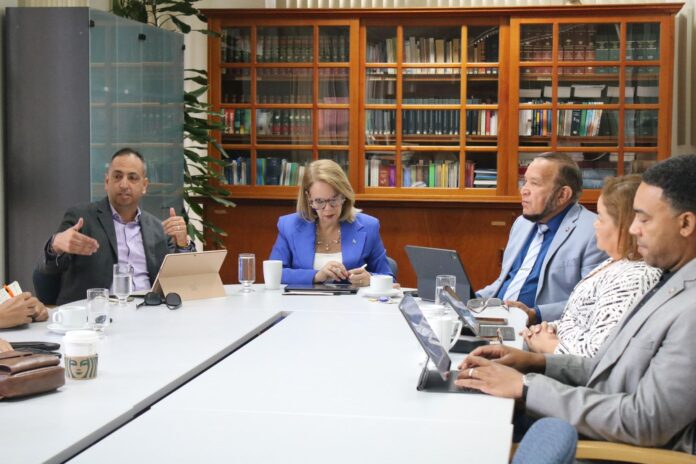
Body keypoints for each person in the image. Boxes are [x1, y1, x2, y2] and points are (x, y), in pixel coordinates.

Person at [455, 155, 696, 454]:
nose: (633, 229)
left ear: (686, 223)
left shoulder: (688, 310)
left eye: (644, 219)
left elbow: (645, 421)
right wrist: (533, 362)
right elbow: (605, 368)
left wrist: (526, 387)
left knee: (465, 428)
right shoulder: (668, 280)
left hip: (603, 447)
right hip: (580, 414)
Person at [522, 175, 662, 357]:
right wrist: (547, 329)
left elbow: (598, 354)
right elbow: (579, 320)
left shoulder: (636, 278)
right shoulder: (616, 262)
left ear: (624, 225)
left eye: (601, 218)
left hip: (562, 366)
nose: (595, 224)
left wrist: (549, 345)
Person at [35, 148, 195, 305]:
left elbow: (181, 280)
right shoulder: (81, 218)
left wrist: (183, 244)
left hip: (149, 310)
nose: (124, 184)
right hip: (98, 312)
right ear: (107, 182)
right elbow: (49, 269)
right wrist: (55, 245)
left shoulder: (157, 228)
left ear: (144, 185)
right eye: (117, 176)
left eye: (132, 178)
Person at [477, 152, 606, 324]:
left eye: (535, 183)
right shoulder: (522, 223)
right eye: (525, 181)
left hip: (540, 330)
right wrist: (473, 299)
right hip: (497, 320)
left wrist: (535, 314)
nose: (524, 190)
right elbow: (506, 281)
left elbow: (590, 302)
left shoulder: (594, 231)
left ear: (562, 195)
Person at [269, 159, 392, 286]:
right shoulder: (289, 226)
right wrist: (316, 276)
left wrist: (370, 279)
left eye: (334, 200)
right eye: (319, 201)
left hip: (352, 299)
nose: (328, 209)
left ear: (344, 195)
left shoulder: (368, 226)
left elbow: (389, 278)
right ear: (308, 198)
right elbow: (274, 274)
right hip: (303, 299)